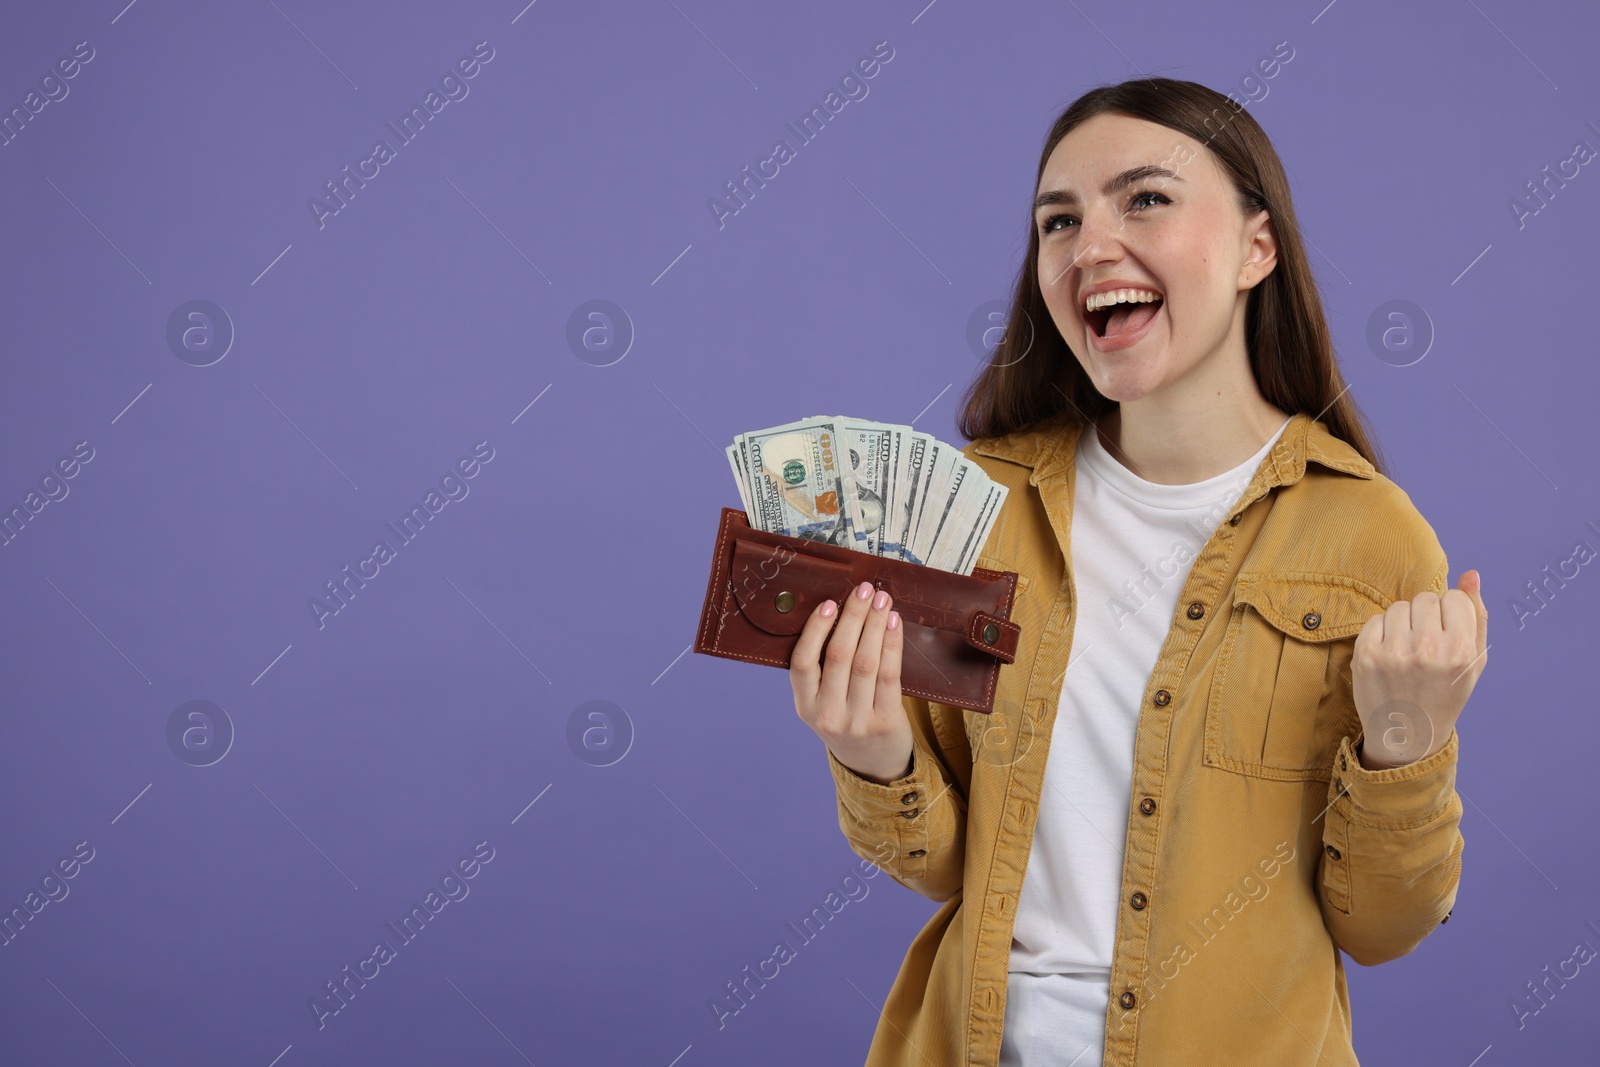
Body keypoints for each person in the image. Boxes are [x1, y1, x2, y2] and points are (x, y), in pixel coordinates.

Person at [789, 77, 1490, 1067]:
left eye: (1145, 198)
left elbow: (1382, 924)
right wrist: (873, 755)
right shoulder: (982, 502)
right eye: (1058, 219)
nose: (1088, 245)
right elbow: (948, 863)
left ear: (1258, 247)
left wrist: (1405, 735)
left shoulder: (1371, 536)